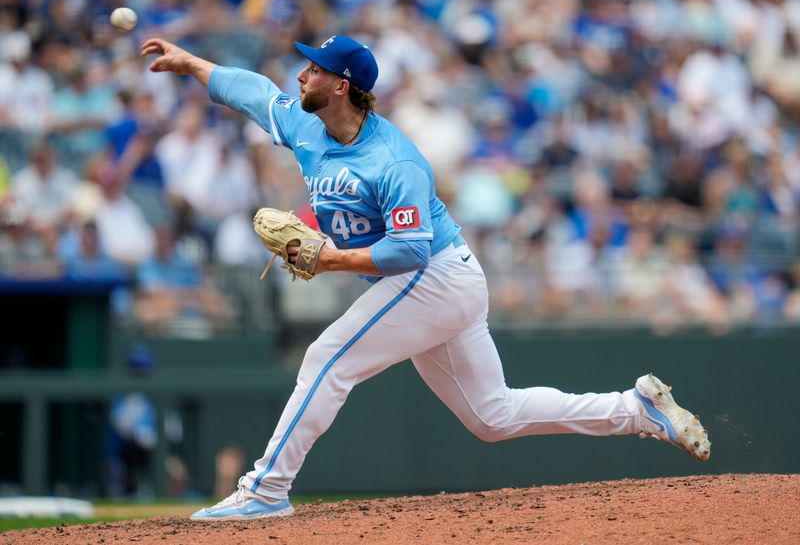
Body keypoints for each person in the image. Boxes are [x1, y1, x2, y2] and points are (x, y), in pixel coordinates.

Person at [140, 34, 711, 521]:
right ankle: (637, 409)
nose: (300, 74)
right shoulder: (305, 124)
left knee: (327, 359)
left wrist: (332, 260)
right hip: (442, 283)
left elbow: (409, 251)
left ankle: (266, 490)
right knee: (493, 416)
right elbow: (253, 93)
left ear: (340, 85)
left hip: (435, 276)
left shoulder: (395, 160)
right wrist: (191, 63)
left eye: (313, 68)